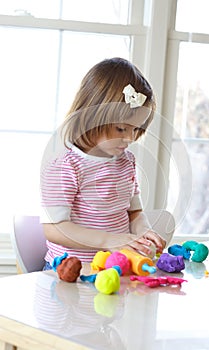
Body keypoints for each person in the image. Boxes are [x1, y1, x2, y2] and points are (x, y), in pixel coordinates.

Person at [40, 57, 174, 270]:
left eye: (137, 129)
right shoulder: (66, 165)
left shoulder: (127, 161)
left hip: (117, 267)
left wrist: (143, 232)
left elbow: (134, 213)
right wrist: (109, 240)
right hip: (72, 271)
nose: (130, 138)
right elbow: (54, 229)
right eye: (121, 129)